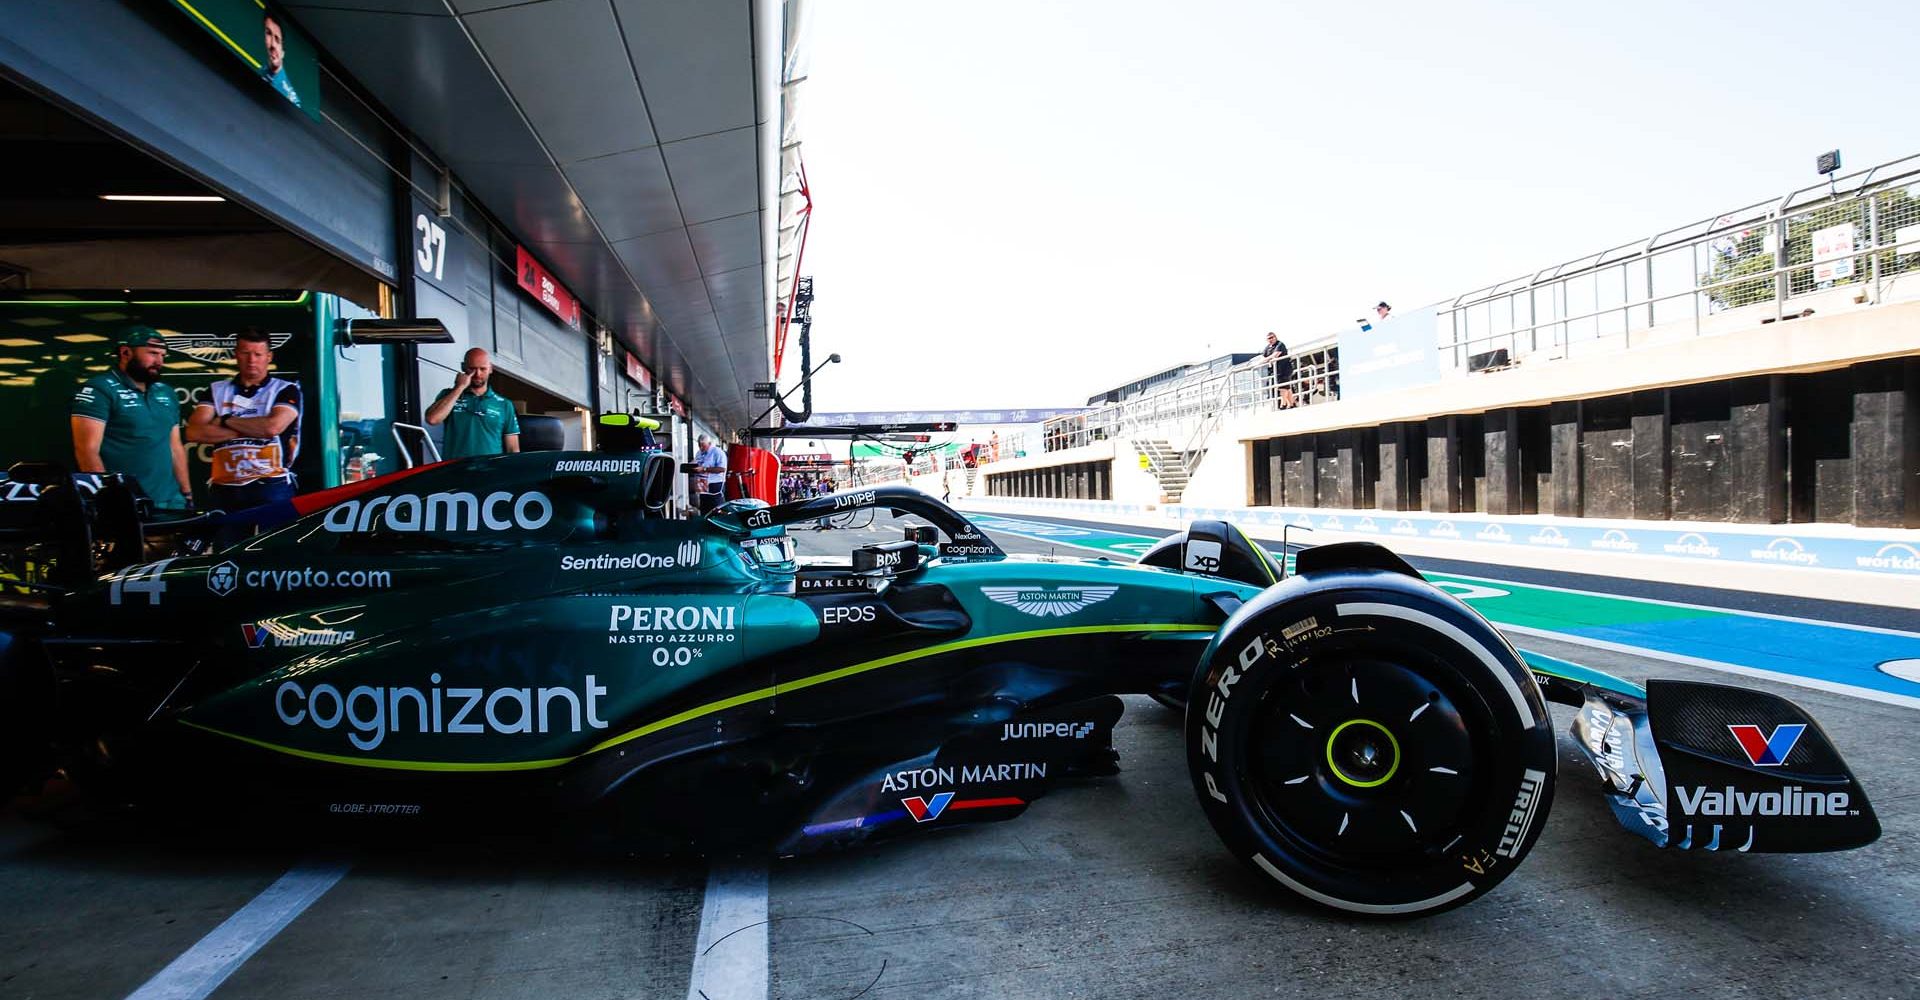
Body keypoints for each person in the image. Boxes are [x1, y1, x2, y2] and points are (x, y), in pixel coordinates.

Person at [70, 326, 192, 511]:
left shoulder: (166, 392)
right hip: (127, 502)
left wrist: (186, 493)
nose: (159, 361)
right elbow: (86, 451)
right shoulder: (99, 389)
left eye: (162, 355)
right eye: (152, 353)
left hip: (172, 499)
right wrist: (109, 499)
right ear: (125, 352)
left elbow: (174, 446)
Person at [184, 327, 301, 512]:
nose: (252, 360)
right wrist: (253, 428)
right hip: (225, 488)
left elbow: (271, 428)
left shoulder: (286, 389)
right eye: (245, 353)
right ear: (236, 355)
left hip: (270, 484)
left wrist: (224, 420)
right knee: (227, 542)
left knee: (272, 541)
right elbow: (194, 432)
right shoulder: (216, 389)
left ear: (269, 357)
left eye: (258, 354)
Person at [425, 348, 520, 460]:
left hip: (490, 472)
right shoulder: (448, 395)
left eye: (482, 369)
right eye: (472, 369)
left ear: (491, 369)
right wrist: (459, 387)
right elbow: (432, 419)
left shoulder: (504, 404)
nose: (478, 374)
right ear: (463, 367)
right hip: (456, 470)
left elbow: (513, 449)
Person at [262, 15, 300, 107]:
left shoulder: (291, 99)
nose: (273, 44)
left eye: (277, 40)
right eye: (268, 33)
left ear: (283, 52)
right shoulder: (260, 71)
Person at [691, 434, 728, 515]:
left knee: (716, 507)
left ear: (709, 444)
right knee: (704, 507)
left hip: (714, 484)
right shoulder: (699, 453)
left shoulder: (717, 452)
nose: (701, 448)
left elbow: (722, 469)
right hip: (702, 484)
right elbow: (696, 462)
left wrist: (704, 469)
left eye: (703, 446)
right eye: (699, 445)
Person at [1262, 332, 1296, 409]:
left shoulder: (1280, 344)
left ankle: (1283, 404)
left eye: (1272, 337)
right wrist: (1265, 360)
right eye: (1269, 338)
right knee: (1287, 387)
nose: (1271, 339)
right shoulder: (1267, 347)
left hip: (1285, 368)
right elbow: (1263, 356)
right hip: (1276, 370)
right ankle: (1291, 404)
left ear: (1275, 337)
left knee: (1282, 387)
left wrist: (1266, 360)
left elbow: (1276, 354)